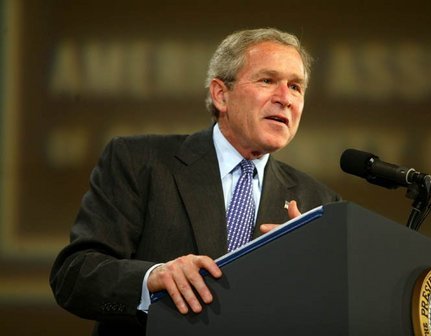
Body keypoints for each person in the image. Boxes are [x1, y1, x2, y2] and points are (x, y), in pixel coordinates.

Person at [50, 27, 342, 335]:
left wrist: (312, 279)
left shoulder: (318, 203)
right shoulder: (139, 162)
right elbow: (75, 276)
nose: (285, 98)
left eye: (296, 86)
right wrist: (152, 279)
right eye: (267, 80)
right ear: (220, 94)